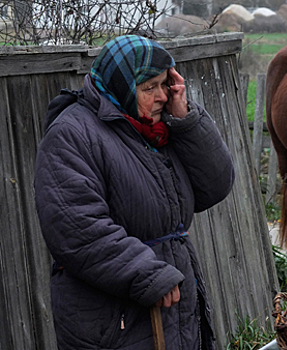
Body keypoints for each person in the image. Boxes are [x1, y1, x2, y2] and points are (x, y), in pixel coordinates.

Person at [34, 35, 235, 349]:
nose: (161, 97)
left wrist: (186, 121)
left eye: (164, 84)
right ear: (121, 86)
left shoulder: (155, 130)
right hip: (114, 318)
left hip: (171, 303)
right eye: (148, 87)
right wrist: (146, 273)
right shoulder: (72, 134)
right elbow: (76, 227)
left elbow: (214, 186)